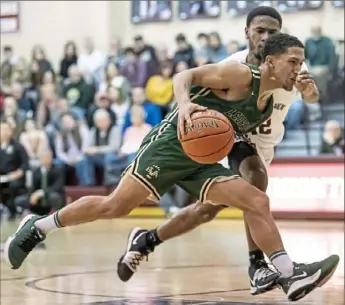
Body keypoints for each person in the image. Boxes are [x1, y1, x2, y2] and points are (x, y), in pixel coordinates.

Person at [4, 33, 339, 303]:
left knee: (256, 200)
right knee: (115, 206)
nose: (299, 68)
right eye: (293, 62)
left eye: (301, 62)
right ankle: (38, 226)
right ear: (269, 62)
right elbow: (185, 75)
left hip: (203, 158)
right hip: (172, 145)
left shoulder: (265, 105)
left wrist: (310, 94)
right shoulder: (239, 75)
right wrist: (184, 104)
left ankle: (287, 274)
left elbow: (274, 116)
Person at [121, 6, 322, 296]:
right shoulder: (234, 65)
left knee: (207, 210)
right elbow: (189, 83)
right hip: (232, 137)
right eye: (259, 31)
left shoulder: (291, 66)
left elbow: (313, 97)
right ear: (247, 33)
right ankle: (258, 267)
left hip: (266, 143)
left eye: (272, 32)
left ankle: (147, 239)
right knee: (256, 181)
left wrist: (309, 93)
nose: (265, 37)